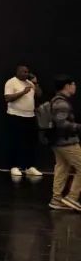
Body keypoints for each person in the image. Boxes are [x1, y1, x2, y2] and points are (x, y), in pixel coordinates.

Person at [4, 63, 43, 181]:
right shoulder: (11, 82)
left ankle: (29, 167)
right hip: (15, 116)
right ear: (17, 72)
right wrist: (22, 92)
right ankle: (14, 166)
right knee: (15, 142)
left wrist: (35, 83)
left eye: (27, 72)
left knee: (30, 142)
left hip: (30, 116)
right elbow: (7, 98)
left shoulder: (30, 83)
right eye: (23, 71)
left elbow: (39, 95)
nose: (26, 74)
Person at [48, 75, 81, 211]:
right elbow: (61, 124)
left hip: (58, 143)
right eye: (73, 84)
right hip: (67, 143)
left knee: (62, 169)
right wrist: (78, 127)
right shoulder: (61, 103)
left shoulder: (57, 101)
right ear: (67, 86)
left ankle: (56, 200)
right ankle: (72, 198)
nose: (75, 87)